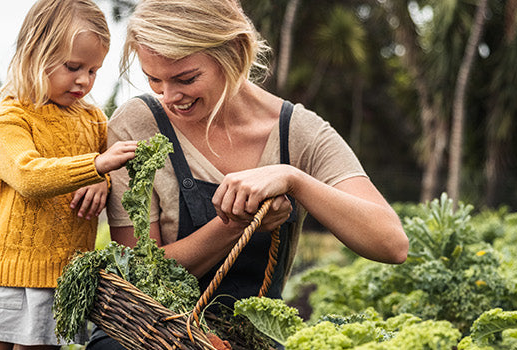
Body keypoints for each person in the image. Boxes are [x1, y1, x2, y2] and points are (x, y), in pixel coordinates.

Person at [88, 0, 410, 347]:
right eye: (154, 80)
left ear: (236, 52)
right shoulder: (137, 125)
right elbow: (138, 276)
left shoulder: (298, 133)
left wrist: (294, 179)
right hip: (145, 334)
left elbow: (391, 244)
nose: (169, 96)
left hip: (246, 338)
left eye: (186, 78)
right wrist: (237, 222)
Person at [0, 1, 135, 349]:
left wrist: (103, 181)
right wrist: (96, 168)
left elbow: (109, 174)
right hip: (6, 275)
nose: (84, 80)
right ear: (36, 53)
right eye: (73, 67)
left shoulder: (94, 119)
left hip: (62, 278)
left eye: (94, 70)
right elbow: (28, 176)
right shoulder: (12, 115)